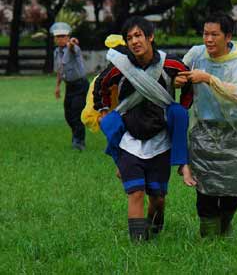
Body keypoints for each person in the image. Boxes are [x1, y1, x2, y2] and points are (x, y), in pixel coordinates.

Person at [92, 16, 195, 242]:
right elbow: (100, 84)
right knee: (136, 193)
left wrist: (181, 108)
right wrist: (102, 110)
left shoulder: (170, 65)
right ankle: (139, 245)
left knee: (157, 198)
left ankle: (155, 230)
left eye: (138, 36)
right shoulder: (120, 68)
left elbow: (189, 84)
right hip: (130, 140)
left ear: (150, 37)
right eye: (129, 38)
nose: (134, 41)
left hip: (160, 140)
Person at [176, 12, 237, 237]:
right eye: (205, 33)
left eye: (214, 34)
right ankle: (208, 237)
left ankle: (225, 222)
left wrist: (208, 79)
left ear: (227, 36)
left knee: (236, 188)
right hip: (204, 131)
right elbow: (175, 71)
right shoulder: (196, 54)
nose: (208, 39)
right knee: (204, 188)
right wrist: (176, 79)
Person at [51, 22, 89, 151]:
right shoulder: (57, 52)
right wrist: (57, 87)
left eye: (63, 36)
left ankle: (79, 142)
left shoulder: (73, 48)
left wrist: (72, 43)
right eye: (58, 37)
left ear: (67, 37)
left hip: (80, 85)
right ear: (55, 39)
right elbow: (60, 70)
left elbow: (72, 46)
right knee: (68, 114)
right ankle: (76, 136)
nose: (60, 39)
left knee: (76, 113)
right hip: (69, 86)